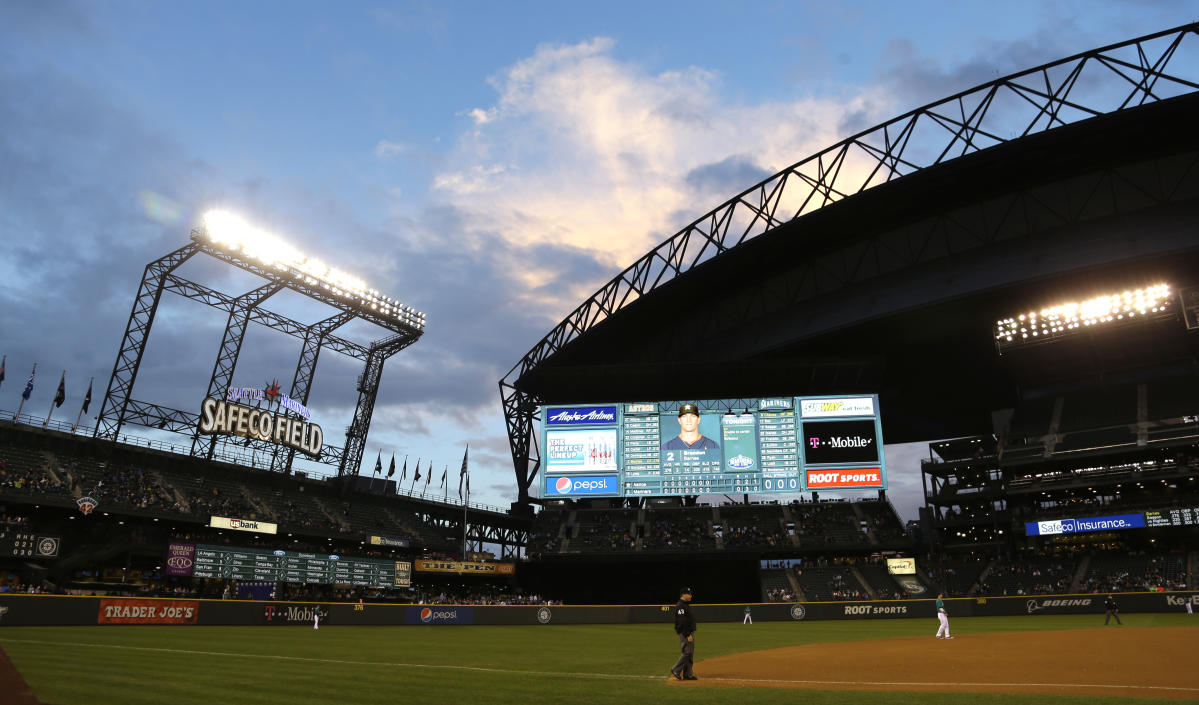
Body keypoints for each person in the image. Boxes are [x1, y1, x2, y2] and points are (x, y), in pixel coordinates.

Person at [670, 587, 698, 681]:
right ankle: (675, 669)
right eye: (689, 594)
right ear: (683, 594)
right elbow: (682, 622)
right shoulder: (680, 606)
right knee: (687, 652)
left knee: (690, 654)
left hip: (688, 632)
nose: (691, 595)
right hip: (684, 632)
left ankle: (688, 674)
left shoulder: (685, 605)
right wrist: (687, 634)